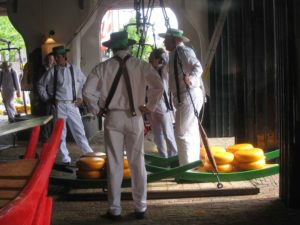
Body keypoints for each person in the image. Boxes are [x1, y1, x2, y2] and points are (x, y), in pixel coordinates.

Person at [83, 31, 164, 220]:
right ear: (129, 46)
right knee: (137, 162)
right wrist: (149, 106)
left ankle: (115, 209)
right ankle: (140, 207)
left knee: (114, 163)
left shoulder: (102, 68)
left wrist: (97, 110)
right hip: (135, 116)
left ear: (112, 48)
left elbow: (87, 92)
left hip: (112, 118)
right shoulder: (141, 65)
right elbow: (158, 86)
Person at [37, 46, 93, 164]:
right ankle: (65, 159)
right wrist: (47, 99)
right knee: (61, 134)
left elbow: (84, 82)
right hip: (59, 106)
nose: (57, 59)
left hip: (73, 105)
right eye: (55, 57)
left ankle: (89, 154)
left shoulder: (74, 69)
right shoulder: (52, 71)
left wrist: (80, 97)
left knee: (79, 131)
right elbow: (40, 85)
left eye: (59, 57)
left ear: (65, 57)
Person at [159, 28, 205, 165]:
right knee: (190, 131)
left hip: (188, 95)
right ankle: (193, 163)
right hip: (184, 96)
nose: (164, 41)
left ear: (175, 40)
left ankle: (186, 168)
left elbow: (198, 67)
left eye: (166, 39)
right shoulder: (174, 53)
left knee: (182, 133)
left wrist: (190, 78)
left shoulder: (183, 51)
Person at [148, 48, 178, 158]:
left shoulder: (163, 70)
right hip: (151, 107)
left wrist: (162, 55)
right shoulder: (148, 71)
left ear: (158, 60)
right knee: (157, 135)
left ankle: (173, 155)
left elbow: (167, 60)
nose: (149, 60)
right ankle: (162, 155)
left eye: (152, 58)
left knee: (168, 133)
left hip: (164, 107)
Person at [37, 53, 56, 143]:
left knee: (53, 117)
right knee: (45, 117)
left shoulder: (56, 69)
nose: (50, 61)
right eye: (49, 59)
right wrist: (44, 97)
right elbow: (39, 83)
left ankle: (52, 136)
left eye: (51, 59)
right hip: (45, 96)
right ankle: (45, 137)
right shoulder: (42, 69)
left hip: (53, 96)